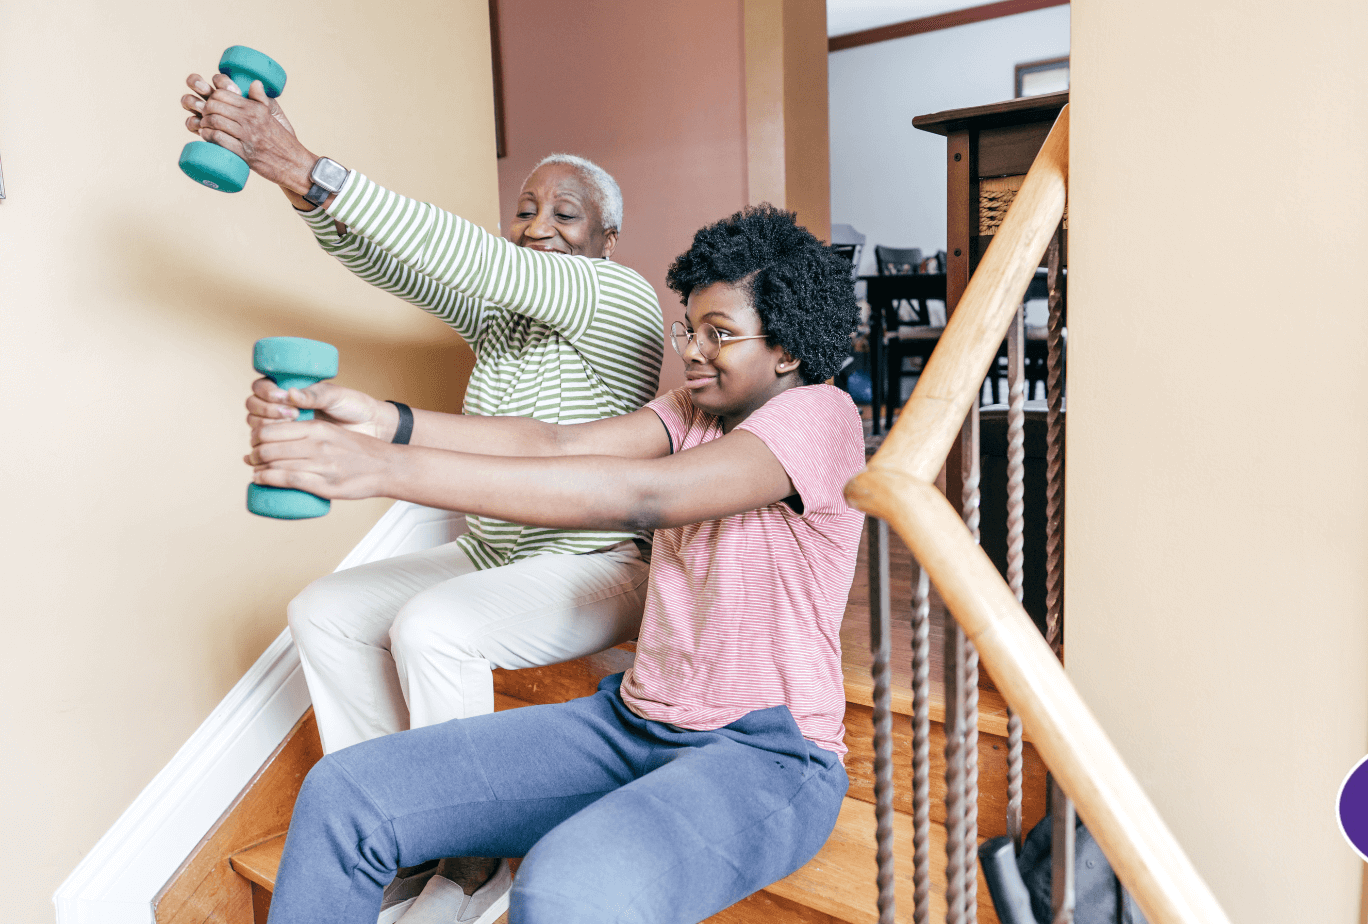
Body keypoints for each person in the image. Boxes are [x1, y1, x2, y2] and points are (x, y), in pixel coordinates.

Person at [245, 203, 862, 924]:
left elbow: (644, 498)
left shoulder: (820, 416)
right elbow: (556, 447)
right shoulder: (692, 411)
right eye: (688, 328)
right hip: (633, 724)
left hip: (767, 756)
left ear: (787, 350)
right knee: (345, 794)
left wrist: (381, 470)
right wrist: (389, 422)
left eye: (719, 334)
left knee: (566, 887)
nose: (693, 350)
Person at [182, 73, 666, 919]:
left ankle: (477, 856)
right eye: (526, 208)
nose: (537, 226)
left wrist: (306, 163)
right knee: (323, 611)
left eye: (565, 213)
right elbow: (401, 262)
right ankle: (401, 825)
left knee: (436, 627)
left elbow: (473, 259)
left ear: (609, 240)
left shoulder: (616, 298)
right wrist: (296, 187)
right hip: (495, 553)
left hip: (597, 562)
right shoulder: (504, 316)